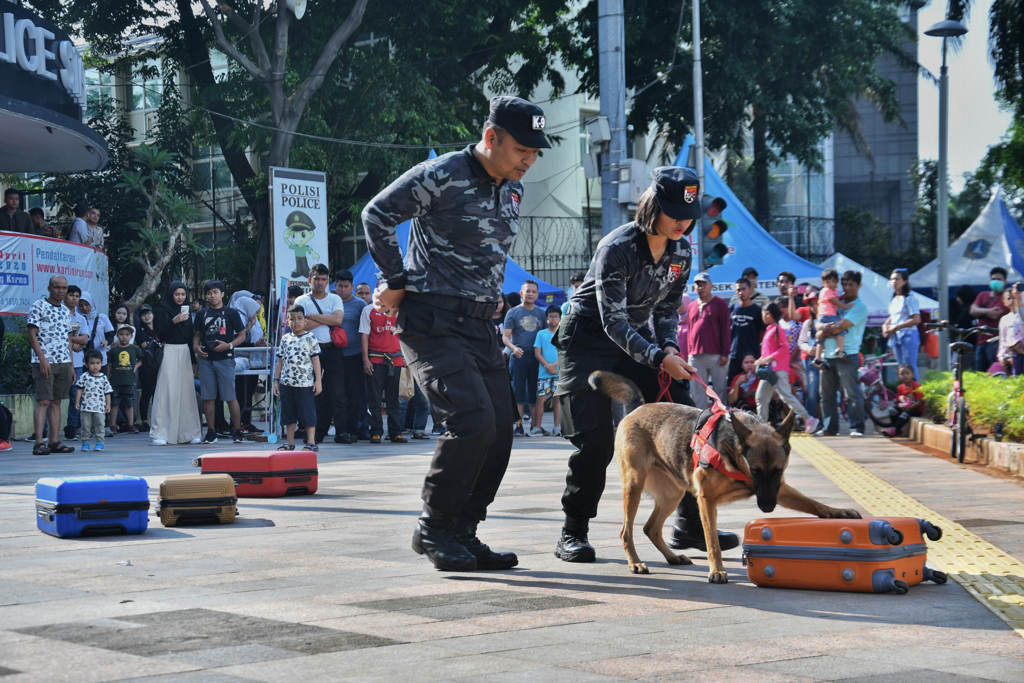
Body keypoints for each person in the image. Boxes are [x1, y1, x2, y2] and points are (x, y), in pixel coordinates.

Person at [362, 94, 550, 572]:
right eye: (521, 150)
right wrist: (397, 279)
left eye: (535, 153)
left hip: (481, 323)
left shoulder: (512, 187)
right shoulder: (442, 173)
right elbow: (377, 214)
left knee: (500, 431)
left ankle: (463, 533)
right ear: (492, 138)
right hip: (432, 320)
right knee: (470, 419)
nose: (529, 160)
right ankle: (434, 527)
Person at [551, 166, 735, 563]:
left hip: (635, 340)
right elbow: (611, 320)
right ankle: (573, 531)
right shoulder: (617, 247)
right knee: (595, 439)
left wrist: (669, 348)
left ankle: (689, 524)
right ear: (652, 207)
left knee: (688, 417)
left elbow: (667, 309)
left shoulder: (682, 251)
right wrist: (657, 356)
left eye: (688, 216)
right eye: (674, 213)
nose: (683, 222)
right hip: (587, 340)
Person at [27, 276, 84, 455]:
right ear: (50, 287)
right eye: (57, 287)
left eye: (64, 288)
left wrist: (72, 364)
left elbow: (67, 338)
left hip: (64, 362)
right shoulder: (38, 306)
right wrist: (42, 358)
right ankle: (38, 443)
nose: (61, 291)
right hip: (44, 361)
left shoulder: (66, 311)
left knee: (57, 402)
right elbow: (32, 334)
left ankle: (54, 441)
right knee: (43, 400)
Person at [295, 264, 346, 445]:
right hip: (308, 351)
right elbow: (301, 325)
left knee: (337, 392)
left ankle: (342, 432)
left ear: (328, 281)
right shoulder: (301, 300)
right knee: (313, 393)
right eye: (316, 279)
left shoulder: (334, 298)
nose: (320, 283)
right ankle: (315, 434)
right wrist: (325, 317)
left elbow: (338, 319)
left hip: (331, 348)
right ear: (310, 280)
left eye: (324, 279)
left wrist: (313, 316)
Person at [194, 280, 249, 444]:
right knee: (208, 397)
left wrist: (229, 345)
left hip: (225, 359)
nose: (212, 295)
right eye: (209, 293)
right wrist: (196, 347)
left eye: (216, 292)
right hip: (206, 360)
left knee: (230, 397)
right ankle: (211, 432)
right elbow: (197, 334)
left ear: (222, 294)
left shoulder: (231, 313)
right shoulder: (202, 314)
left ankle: (237, 430)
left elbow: (242, 334)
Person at [816, 270, 868, 437]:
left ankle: (857, 427)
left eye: (851, 284)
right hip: (828, 355)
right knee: (826, 395)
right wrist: (822, 329)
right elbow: (817, 323)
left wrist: (823, 331)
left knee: (851, 394)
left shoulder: (859, 306)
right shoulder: (834, 302)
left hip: (848, 354)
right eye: (844, 284)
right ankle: (829, 428)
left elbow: (839, 327)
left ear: (859, 286)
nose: (847, 287)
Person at [150, 282, 202, 445]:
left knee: (186, 393)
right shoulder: (162, 310)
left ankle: (188, 432)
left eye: (183, 294)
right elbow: (159, 333)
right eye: (177, 294)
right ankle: (161, 433)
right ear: (171, 294)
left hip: (185, 353)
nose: (180, 297)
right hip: (169, 351)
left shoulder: (187, 312)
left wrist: (194, 361)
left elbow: (189, 337)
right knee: (167, 391)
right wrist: (174, 321)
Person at [754, 301, 818, 433]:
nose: (763, 316)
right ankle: (762, 428)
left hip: (777, 370)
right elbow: (770, 350)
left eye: (764, 313)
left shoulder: (778, 329)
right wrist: (761, 359)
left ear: (769, 314)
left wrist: (767, 359)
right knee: (761, 397)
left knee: (786, 396)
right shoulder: (770, 329)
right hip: (769, 371)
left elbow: (784, 348)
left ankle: (809, 418)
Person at [274, 306, 322, 451]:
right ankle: (290, 442)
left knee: (307, 413)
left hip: (305, 384)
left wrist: (318, 381)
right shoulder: (285, 339)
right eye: (292, 319)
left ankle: (311, 442)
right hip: (287, 383)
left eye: (300, 319)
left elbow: (316, 360)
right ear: (287, 322)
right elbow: (280, 361)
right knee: (289, 414)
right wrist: (276, 381)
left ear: (305, 321)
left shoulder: (310, 338)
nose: (296, 322)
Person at [503, 280, 548, 436]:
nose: (530, 294)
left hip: (536, 358)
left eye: (533, 291)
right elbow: (505, 336)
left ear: (537, 294)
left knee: (536, 394)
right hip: (518, 357)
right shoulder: (513, 313)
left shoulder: (542, 314)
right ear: (521, 293)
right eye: (527, 291)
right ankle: (518, 426)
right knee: (518, 393)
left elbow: (545, 337)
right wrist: (513, 348)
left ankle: (536, 426)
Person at [360, 297, 407, 443]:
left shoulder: (399, 309)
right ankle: (376, 431)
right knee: (374, 398)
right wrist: (365, 359)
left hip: (396, 358)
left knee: (393, 398)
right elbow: (364, 335)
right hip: (376, 358)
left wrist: (407, 356)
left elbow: (405, 334)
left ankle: (395, 432)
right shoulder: (368, 310)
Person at [686, 271, 730, 409]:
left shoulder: (720, 304)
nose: (701, 287)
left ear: (711, 286)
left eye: (704, 284)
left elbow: (726, 330)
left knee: (719, 391)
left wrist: (725, 354)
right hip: (695, 356)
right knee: (697, 392)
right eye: (698, 285)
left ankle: (721, 422)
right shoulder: (692, 305)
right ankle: (701, 423)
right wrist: (689, 353)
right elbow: (690, 330)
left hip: (716, 355)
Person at [335, 269, 366, 443]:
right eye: (339, 286)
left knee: (355, 395)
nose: (343, 289)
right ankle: (341, 430)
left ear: (352, 287)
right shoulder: (330, 302)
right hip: (334, 355)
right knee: (338, 395)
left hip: (355, 355)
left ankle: (354, 430)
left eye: (346, 286)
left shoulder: (360, 305)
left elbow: (366, 332)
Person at [881, 268, 922, 379]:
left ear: (905, 281)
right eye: (892, 279)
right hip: (896, 336)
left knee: (910, 367)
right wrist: (885, 326)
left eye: (897, 279)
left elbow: (916, 319)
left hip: (908, 335)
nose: (894, 282)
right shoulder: (894, 299)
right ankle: (905, 393)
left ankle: (916, 393)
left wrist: (896, 327)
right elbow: (893, 316)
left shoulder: (909, 298)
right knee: (902, 368)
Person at [970, 266, 1010, 371]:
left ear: (1005, 282)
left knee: (996, 371)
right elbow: (972, 310)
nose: (995, 281)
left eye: (999, 279)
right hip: (980, 341)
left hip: (997, 341)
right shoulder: (983, 295)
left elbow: (995, 314)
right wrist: (988, 311)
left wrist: (981, 311)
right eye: (993, 279)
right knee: (980, 372)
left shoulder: (1006, 297)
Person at [728, 277, 765, 383]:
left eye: (744, 289)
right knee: (733, 384)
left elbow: (762, 333)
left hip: (752, 354)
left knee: (754, 385)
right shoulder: (731, 308)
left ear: (750, 290)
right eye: (738, 290)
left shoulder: (757, 310)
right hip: (735, 354)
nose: (741, 292)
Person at [74, 349, 113, 452]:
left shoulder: (103, 378)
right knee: (85, 426)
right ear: (86, 364)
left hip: (100, 407)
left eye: (98, 363)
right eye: (92, 363)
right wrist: (77, 402)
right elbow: (79, 390)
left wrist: (108, 405)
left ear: (101, 364)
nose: (95, 366)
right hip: (86, 407)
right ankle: (85, 442)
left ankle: (100, 442)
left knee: (100, 425)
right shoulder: (84, 377)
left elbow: (107, 392)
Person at [63, 285, 88, 441]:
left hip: (77, 363)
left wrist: (70, 340)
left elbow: (85, 339)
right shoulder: (59, 314)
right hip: (60, 360)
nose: (74, 298)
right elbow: (58, 336)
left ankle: (72, 428)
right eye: (71, 295)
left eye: (77, 296)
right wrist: (73, 343)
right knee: (51, 397)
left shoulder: (81, 318)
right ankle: (44, 431)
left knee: (75, 397)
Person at [813, 268, 852, 367]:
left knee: (822, 337)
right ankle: (840, 349)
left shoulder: (834, 291)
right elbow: (834, 301)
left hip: (825, 316)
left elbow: (837, 298)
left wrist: (843, 296)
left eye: (833, 281)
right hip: (828, 315)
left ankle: (818, 358)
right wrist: (846, 306)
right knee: (840, 330)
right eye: (828, 282)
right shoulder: (826, 290)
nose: (831, 284)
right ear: (823, 282)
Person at [533, 304, 562, 436]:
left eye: (556, 316)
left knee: (558, 400)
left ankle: (557, 428)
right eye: (551, 316)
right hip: (543, 373)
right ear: (546, 319)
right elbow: (537, 353)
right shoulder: (541, 334)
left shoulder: (562, 333)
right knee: (541, 399)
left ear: (560, 319)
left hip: (558, 373)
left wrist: (555, 366)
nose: (553, 319)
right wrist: (547, 366)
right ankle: (537, 427)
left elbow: (564, 353)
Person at [107, 323, 141, 434]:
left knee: (129, 403)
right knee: (114, 403)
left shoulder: (134, 349)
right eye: (121, 334)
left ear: (131, 336)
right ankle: (112, 425)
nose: (124, 337)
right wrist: (108, 377)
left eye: (127, 334)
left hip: (129, 381)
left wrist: (135, 367)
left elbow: (142, 359)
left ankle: (130, 425)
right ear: (117, 335)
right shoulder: (113, 350)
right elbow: (110, 364)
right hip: (115, 381)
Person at [881, 364, 924, 437]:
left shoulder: (916, 386)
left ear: (912, 375)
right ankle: (896, 429)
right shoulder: (900, 387)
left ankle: (894, 429)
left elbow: (920, 401)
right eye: (902, 374)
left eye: (907, 373)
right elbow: (898, 399)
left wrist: (909, 407)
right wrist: (900, 403)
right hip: (905, 407)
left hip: (915, 409)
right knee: (892, 410)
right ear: (898, 376)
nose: (905, 376)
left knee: (905, 414)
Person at [797, 290, 820, 419]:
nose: (815, 306)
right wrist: (807, 348)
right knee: (812, 390)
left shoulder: (831, 320)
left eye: (817, 303)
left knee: (824, 392)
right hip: (811, 360)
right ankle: (812, 419)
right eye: (812, 304)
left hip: (826, 359)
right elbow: (801, 341)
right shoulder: (808, 323)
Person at [136, 304, 160, 429]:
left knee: (159, 393)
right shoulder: (140, 330)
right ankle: (145, 420)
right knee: (146, 393)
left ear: (153, 314)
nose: (146, 316)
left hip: (160, 364)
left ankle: (158, 418)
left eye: (148, 313)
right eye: (143, 314)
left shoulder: (160, 328)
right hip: (146, 365)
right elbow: (145, 346)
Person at [78, 291, 113, 370]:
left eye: (87, 305)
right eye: (81, 305)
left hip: (100, 358)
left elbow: (110, 336)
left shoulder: (102, 317)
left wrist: (106, 342)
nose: (84, 308)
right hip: (83, 359)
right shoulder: (78, 319)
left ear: (92, 303)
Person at [997, 284, 1024, 376]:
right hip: (1013, 354)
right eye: (1009, 298)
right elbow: (1003, 339)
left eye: (1014, 298)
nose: (1012, 301)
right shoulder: (1004, 319)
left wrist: (1019, 297)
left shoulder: (1021, 315)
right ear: (1004, 302)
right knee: (1016, 378)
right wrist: (1001, 356)